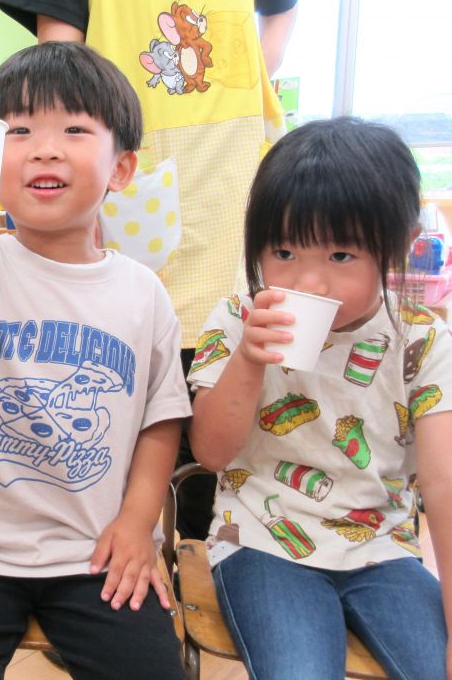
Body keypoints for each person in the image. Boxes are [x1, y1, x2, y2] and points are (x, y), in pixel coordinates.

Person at [0, 41, 191, 680]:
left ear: (121, 168)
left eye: (74, 129)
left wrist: (138, 523)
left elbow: (161, 420)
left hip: (95, 556)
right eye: (19, 132)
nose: (45, 148)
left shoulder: (142, 293)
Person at [0, 0, 299, 542]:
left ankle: (202, 581)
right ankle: (102, 570)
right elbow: (63, 63)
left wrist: (244, 72)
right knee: (103, 414)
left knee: (215, 436)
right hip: (125, 186)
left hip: (228, 187)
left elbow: (282, 5)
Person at [187, 117, 451, 679]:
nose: (309, 283)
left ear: (398, 246)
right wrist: (248, 362)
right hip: (261, 540)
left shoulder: (423, 339)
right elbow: (210, 452)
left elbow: (444, 482)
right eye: (283, 252)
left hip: (384, 548)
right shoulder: (238, 318)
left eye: (340, 257)